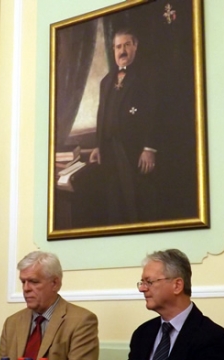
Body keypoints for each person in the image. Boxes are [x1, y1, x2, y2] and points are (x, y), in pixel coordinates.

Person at [78, 249, 224, 360]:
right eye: (142, 282)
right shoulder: (143, 333)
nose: (142, 289)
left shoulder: (213, 337)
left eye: (149, 282)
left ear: (177, 285)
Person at [0, 250, 99, 360]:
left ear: (55, 283)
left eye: (34, 282)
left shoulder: (81, 321)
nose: (26, 288)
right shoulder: (12, 322)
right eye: (23, 282)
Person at [89, 28, 159, 224]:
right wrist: (98, 146)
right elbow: (102, 115)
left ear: (135, 47)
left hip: (134, 150)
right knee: (115, 202)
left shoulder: (147, 77)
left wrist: (149, 148)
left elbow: (155, 114)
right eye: (118, 47)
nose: (122, 51)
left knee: (137, 201)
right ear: (113, 50)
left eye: (127, 45)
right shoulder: (106, 81)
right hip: (109, 150)